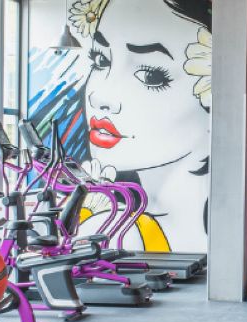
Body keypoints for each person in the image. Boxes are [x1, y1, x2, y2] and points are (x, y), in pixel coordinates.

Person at [75, 0, 212, 252]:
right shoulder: (118, 229)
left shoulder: (112, 233)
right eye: (101, 60)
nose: (100, 96)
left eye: (151, 76)